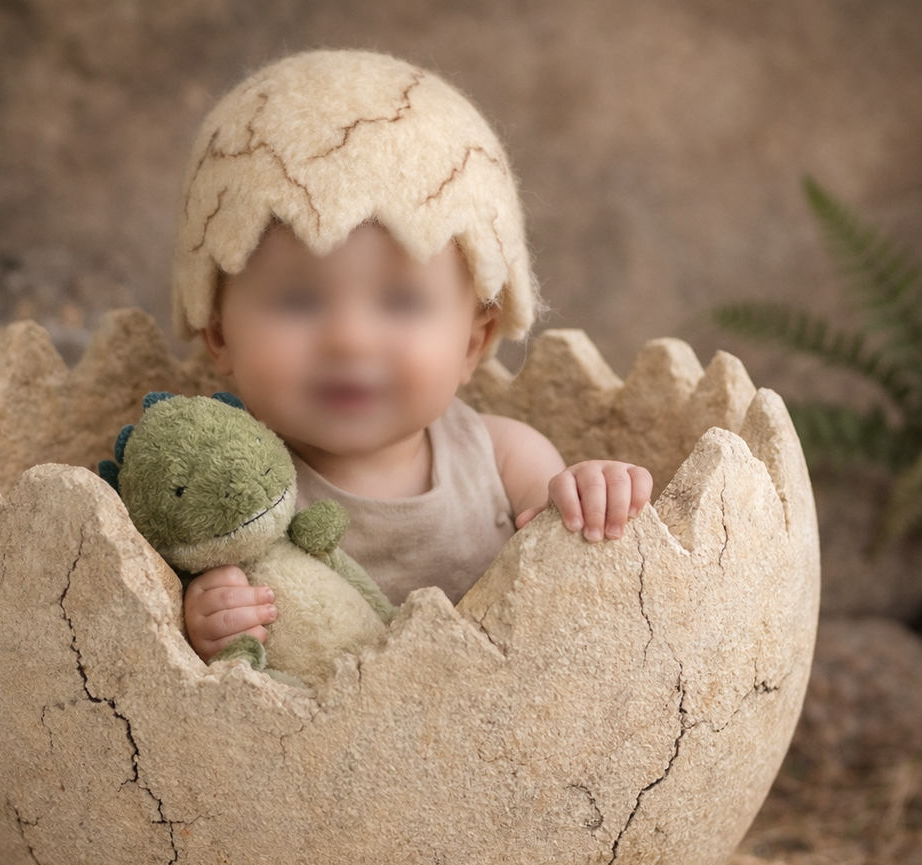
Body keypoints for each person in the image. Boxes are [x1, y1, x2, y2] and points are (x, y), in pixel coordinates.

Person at [168, 49, 653, 661]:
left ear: (472, 343)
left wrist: (592, 492)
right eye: (297, 300)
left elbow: (569, 557)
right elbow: (173, 598)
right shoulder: (227, 487)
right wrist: (208, 613)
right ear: (219, 335)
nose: (349, 339)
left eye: (399, 301)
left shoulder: (505, 459)